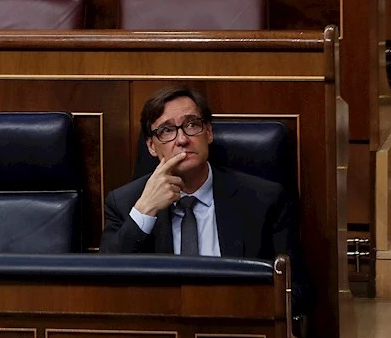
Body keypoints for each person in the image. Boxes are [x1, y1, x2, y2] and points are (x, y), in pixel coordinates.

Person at [100, 86, 309, 310]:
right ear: (151, 146)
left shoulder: (264, 200)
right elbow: (104, 286)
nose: (182, 140)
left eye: (191, 124)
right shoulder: (124, 203)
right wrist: (144, 212)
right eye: (167, 130)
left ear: (208, 132)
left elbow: (295, 291)